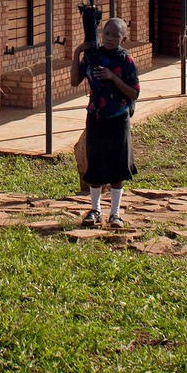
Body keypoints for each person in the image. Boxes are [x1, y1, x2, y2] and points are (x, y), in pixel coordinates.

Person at [72, 17, 141, 229]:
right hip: (96, 116)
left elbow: (134, 93)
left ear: (123, 38)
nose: (110, 39)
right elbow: (75, 80)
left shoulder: (125, 61)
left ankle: (115, 213)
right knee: (96, 163)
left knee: (117, 166)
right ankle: (95, 209)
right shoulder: (94, 56)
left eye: (115, 35)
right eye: (107, 34)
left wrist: (112, 77)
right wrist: (77, 53)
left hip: (118, 117)